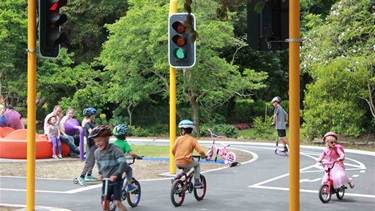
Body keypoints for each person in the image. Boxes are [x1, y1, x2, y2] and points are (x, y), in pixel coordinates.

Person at [91, 125, 129, 211]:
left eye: (99, 140)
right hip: (106, 180)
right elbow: (99, 166)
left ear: (107, 139)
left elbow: (123, 163)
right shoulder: (97, 152)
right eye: (95, 142)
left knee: (117, 202)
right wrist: (100, 174)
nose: (97, 143)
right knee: (105, 202)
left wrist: (116, 175)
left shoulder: (115, 149)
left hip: (116, 180)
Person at [171, 119, 207, 188]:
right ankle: (197, 182)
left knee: (186, 169)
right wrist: (204, 156)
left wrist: (178, 156)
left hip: (177, 162)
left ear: (183, 131)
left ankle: (176, 177)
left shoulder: (178, 139)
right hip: (187, 162)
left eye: (181, 130)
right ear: (191, 130)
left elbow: (173, 150)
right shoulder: (193, 140)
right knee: (197, 164)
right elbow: (201, 151)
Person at [112, 124, 141, 193]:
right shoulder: (125, 144)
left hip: (113, 163)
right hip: (120, 163)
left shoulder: (113, 143)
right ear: (125, 135)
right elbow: (131, 154)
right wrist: (138, 157)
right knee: (129, 170)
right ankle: (130, 185)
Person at [78, 107, 98, 186]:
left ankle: (89, 174)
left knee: (93, 160)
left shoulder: (90, 123)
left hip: (94, 143)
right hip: (91, 144)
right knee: (89, 161)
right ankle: (82, 176)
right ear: (90, 116)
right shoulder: (87, 123)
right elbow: (91, 131)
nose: (94, 116)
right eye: (94, 115)